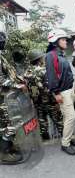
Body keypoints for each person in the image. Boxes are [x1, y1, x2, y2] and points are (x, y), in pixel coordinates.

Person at [45, 29, 75, 155]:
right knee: (71, 117)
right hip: (62, 92)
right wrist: (56, 93)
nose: (66, 42)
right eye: (63, 39)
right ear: (56, 41)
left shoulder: (60, 54)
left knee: (67, 117)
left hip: (68, 90)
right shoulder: (51, 55)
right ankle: (65, 144)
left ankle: (69, 138)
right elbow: (51, 75)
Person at [24, 50, 63, 140]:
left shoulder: (26, 73)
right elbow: (52, 85)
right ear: (39, 59)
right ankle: (66, 138)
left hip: (37, 102)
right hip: (49, 100)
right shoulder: (44, 70)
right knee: (58, 120)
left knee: (42, 121)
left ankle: (45, 140)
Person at [0, 30, 26, 164]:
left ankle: (8, 147)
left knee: (7, 125)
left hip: (6, 97)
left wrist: (19, 79)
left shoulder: (1, 56)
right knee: (12, 124)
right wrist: (16, 86)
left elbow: (8, 74)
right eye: (3, 40)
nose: (4, 43)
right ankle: (4, 154)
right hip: (3, 98)